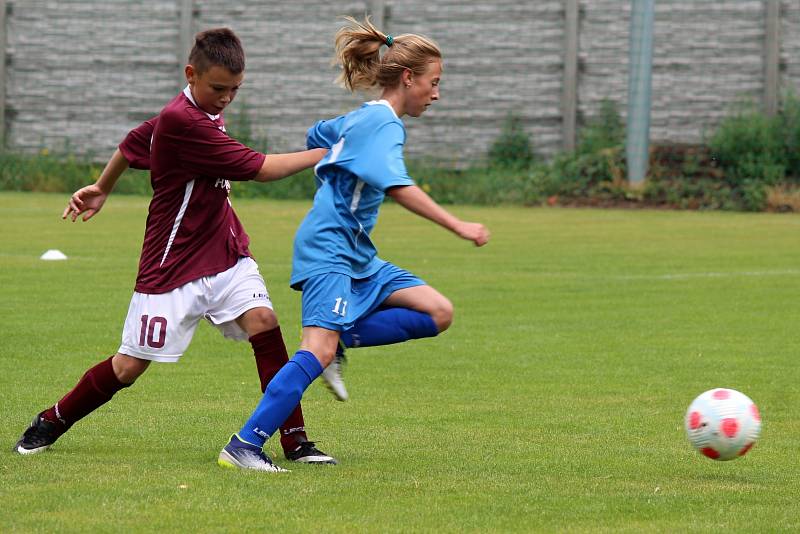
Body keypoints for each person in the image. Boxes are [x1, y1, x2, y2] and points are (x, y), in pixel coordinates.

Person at [13, 28, 336, 468]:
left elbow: (130, 142)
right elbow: (257, 168)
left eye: (235, 90)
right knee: (129, 366)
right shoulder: (181, 120)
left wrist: (101, 187)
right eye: (218, 88)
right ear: (191, 74)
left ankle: (294, 440)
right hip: (172, 264)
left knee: (264, 321)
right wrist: (327, 152)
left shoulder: (199, 112)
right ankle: (52, 419)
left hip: (224, 251)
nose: (226, 99)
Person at [216, 16, 490, 472]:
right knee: (315, 349)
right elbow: (399, 186)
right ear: (408, 78)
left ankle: (339, 337)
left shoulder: (364, 119)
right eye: (433, 82)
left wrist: (341, 152)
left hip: (358, 253)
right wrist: (457, 224)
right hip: (330, 250)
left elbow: (319, 134)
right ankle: (244, 444)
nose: (436, 93)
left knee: (437, 311)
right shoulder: (383, 126)